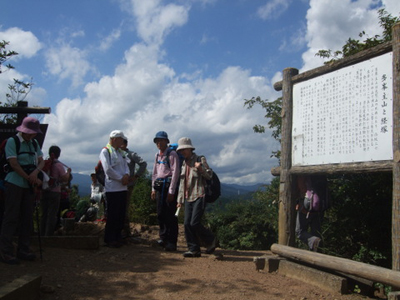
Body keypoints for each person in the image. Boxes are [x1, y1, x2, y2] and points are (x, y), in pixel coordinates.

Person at [0, 117, 45, 264]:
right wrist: (29, 177)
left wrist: (35, 173)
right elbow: (13, 164)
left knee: (27, 217)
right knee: (11, 216)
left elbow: (41, 160)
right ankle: (6, 251)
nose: (32, 135)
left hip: (28, 185)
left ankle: (23, 249)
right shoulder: (13, 141)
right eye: (30, 133)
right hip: (14, 182)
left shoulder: (34, 143)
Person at [176, 137, 217, 257]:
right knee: (187, 224)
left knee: (194, 223)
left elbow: (209, 175)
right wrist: (179, 200)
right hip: (188, 196)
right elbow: (182, 184)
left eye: (185, 149)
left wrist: (200, 168)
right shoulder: (184, 163)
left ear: (190, 149)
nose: (183, 152)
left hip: (199, 194)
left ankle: (211, 239)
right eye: (181, 150)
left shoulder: (200, 159)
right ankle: (193, 249)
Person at [100, 130, 130, 248]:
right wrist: (120, 178)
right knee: (112, 214)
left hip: (123, 187)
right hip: (112, 188)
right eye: (121, 139)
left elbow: (126, 166)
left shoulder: (120, 152)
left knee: (120, 214)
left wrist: (126, 175)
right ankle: (110, 238)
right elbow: (107, 169)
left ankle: (118, 236)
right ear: (114, 139)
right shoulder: (105, 151)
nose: (122, 142)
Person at [151, 131, 179, 251]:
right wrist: (153, 188)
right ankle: (163, 238)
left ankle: (172, 242)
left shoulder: (172, 154)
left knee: (171, 215)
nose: (159, 143)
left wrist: (171, 191)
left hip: (168, 188)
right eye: (157, 141)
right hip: (159, 188)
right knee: (160, 213)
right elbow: (154, 173)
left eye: (161, 140)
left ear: (166, 141)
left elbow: (175, 173)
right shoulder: (157, 155)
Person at [40, 145, 72, 236]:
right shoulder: (58, 165)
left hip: (44, 191)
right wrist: (68, 172)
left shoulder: (45, 164)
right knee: (52, 215)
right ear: (59, 154)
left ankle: (42, 234)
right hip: (54, 192)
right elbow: (64, 178)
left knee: (44, 214)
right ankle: (48, 235)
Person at [120, 138, 147, 238]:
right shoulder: (116, 154)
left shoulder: (131, 154)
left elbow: (143, 164)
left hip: (128, 185)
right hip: (116, 185)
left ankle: (125, 232)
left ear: (125, 144)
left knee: (124, 207)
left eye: (121, 143)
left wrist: (135, 176)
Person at [295, 175, 328, 252]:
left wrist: (299, 204)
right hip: (318, 203)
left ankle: (313, 241)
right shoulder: (316, 175)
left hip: (307, 202)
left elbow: (301, 186)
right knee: (316, 232)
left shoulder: (302, 173)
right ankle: (317, 253)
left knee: (300, 232)